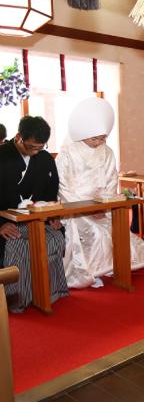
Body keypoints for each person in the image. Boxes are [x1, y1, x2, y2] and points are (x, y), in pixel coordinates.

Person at [56, 97, 144, 288]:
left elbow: (111, 180)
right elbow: (63, 186)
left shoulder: (107, 152)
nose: (99, 142)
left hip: (102, 206)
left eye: (102, 138)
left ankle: (115, 266)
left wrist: (105, 205)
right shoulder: (67, 153)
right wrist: (86, 209)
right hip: (76, 208)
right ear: (83, 133)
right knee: (98, 235)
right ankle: (91, 270)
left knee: (119, 232)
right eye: (95, 138)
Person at [0, 116, 68, 312]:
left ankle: (49, 292)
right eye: (31, 147)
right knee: (17, 243)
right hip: (7, 221)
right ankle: (18, 299)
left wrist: (53, 216)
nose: (36, 152)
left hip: (37, 219)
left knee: (55, 238)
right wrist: (0, 225)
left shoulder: (45, 158)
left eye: (41, 147)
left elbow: (51, 192)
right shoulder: (2, 155)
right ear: (19, 137)